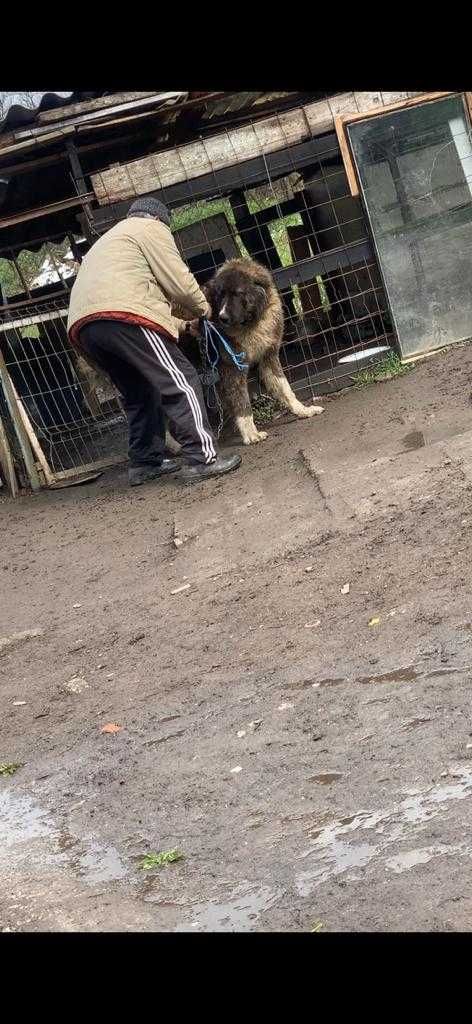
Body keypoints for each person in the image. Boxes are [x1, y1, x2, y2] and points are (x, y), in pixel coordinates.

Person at [67, 196, 241, 486]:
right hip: (123, 317)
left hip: (86, 329)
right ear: (160, 219)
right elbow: (179, 282)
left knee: (138, 391)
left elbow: (139, 301)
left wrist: (184, 326)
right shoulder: (150, 229)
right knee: (181, 379)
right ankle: (202, 458)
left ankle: (145, 462)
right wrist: (204, 309)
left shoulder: (112, 240)